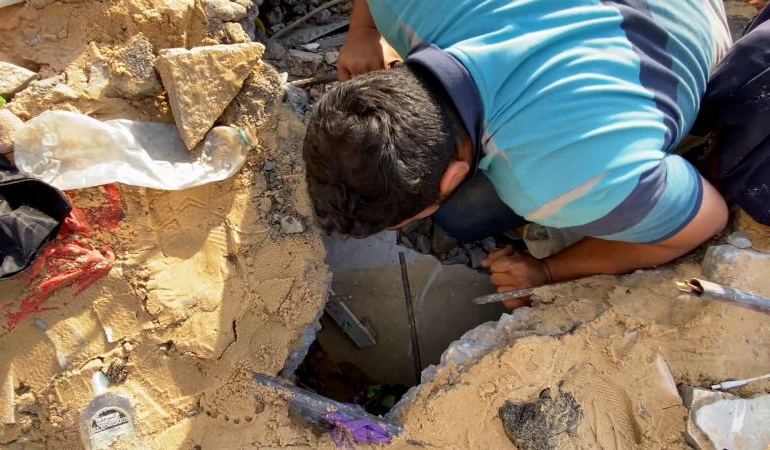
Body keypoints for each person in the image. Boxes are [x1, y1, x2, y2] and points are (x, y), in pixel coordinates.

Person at [302, 0, 734, 304]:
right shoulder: (404, 6)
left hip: (697, 23)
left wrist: (547, 272)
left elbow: (708, 219)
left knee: (460, 216)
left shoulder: (559, 181)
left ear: (453, 176)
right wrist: (366, 29)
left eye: (413, 216)